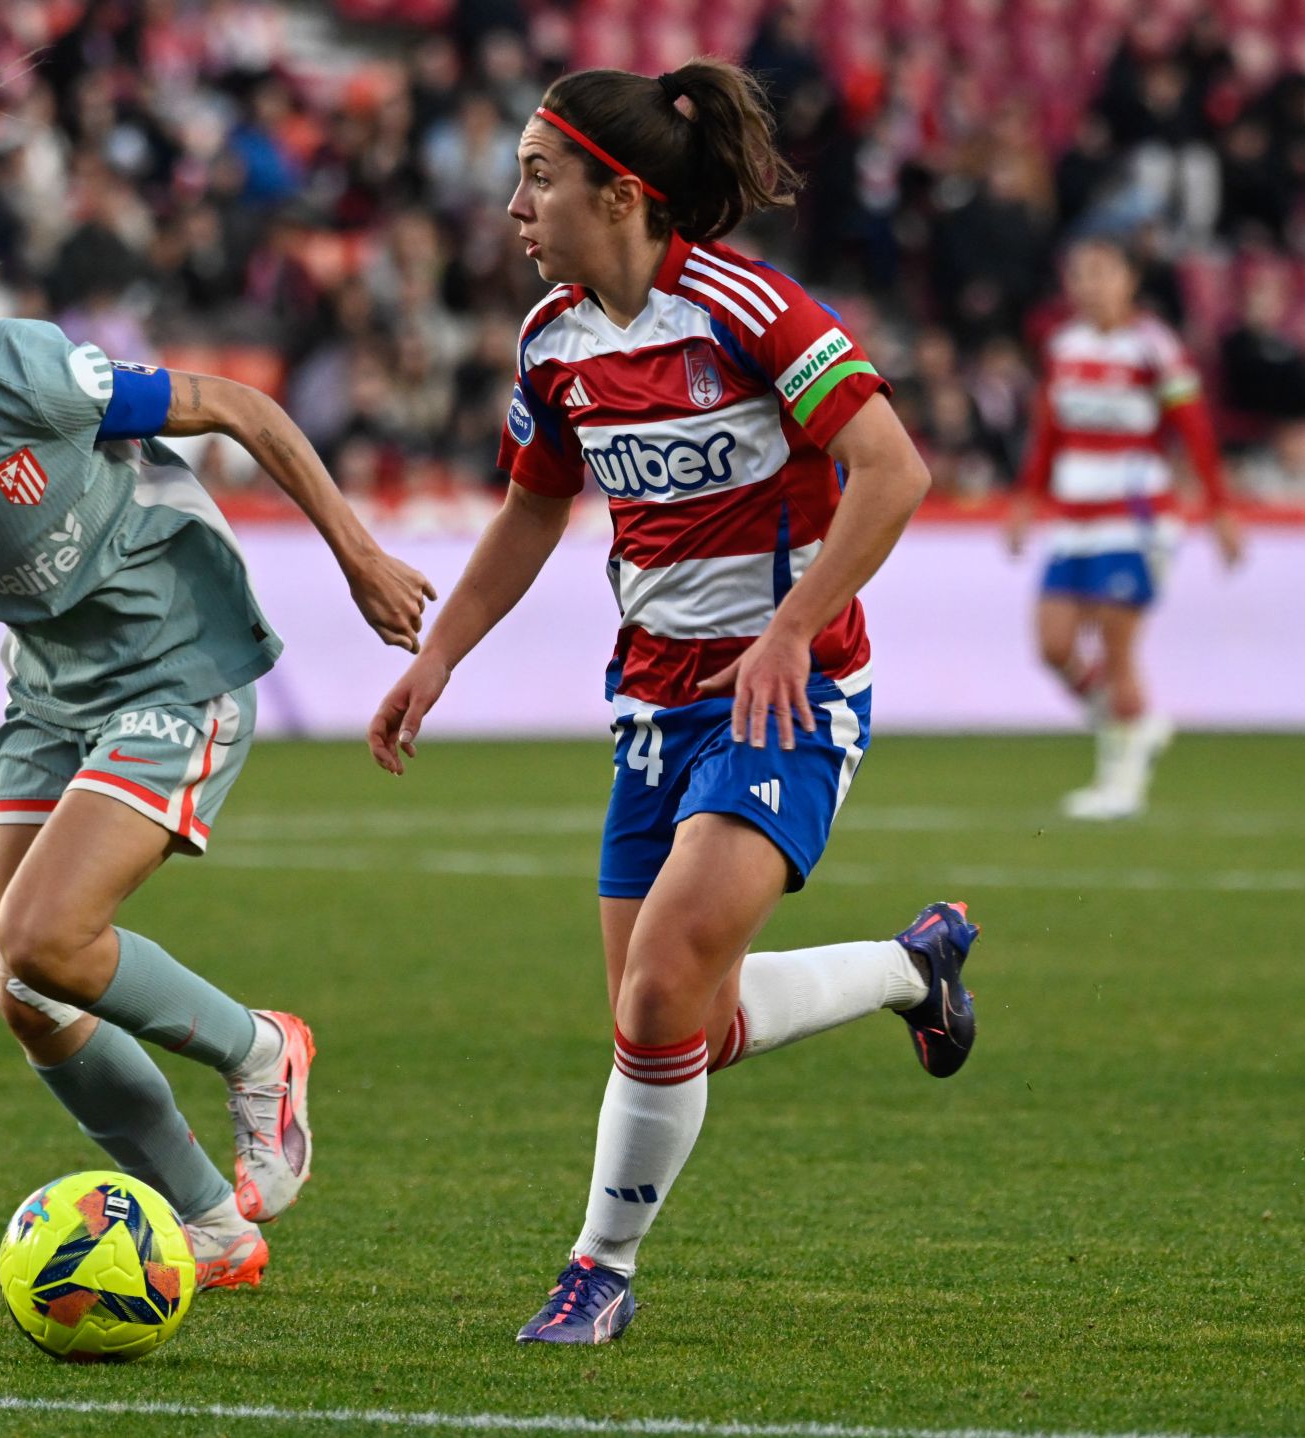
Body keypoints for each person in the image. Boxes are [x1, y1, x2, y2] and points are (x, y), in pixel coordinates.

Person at [0, 68, 433, 1290]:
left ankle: (260, 1049)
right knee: (28, 992)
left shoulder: (26, 372)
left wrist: (357, 557)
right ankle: (213, 1221)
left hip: (174, 654)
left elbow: (235, 403)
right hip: (52, 685)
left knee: (45, 932)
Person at [367, 59, 980, 1346]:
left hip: (789, 698)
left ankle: (600, 1268)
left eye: (541, 179)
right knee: (682, 1020)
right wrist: (442, 657)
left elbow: (894, 468)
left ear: (626, 193)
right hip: (652, 705)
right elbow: (537, 506)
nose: (517, 208)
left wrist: (790, 630)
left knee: (657, 994)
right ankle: (909, 969)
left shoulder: (747, 310)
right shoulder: (554, 343)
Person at [1008, 238, 1241, 819]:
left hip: (1135, 518)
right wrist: (1025, 499)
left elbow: (1194, 428)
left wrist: (1221, 508)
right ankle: (1136, 728)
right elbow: (1049, 430)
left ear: (1128, 280)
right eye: (1079, 275)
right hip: (1075, 516)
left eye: (1101, 273)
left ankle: (1121, 784)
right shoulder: (1063, 346)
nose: (1089, 285)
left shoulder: (1154, 346)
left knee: (1117, 649)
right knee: (1054, 644)